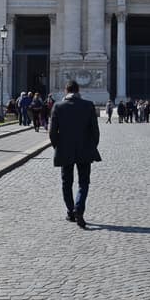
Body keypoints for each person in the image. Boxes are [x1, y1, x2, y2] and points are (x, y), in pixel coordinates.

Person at [49, 79, 101, 228]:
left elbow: (52, 132)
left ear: (66, 91)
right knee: (84, 182)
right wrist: (92, 146)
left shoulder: (58, 107)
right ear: (79, 91)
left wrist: (57, 147)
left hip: (65, 150)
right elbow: (95, 131)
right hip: (85, 150)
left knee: (67, 182)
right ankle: (79, 208)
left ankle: (71, 211)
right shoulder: (88, 105)